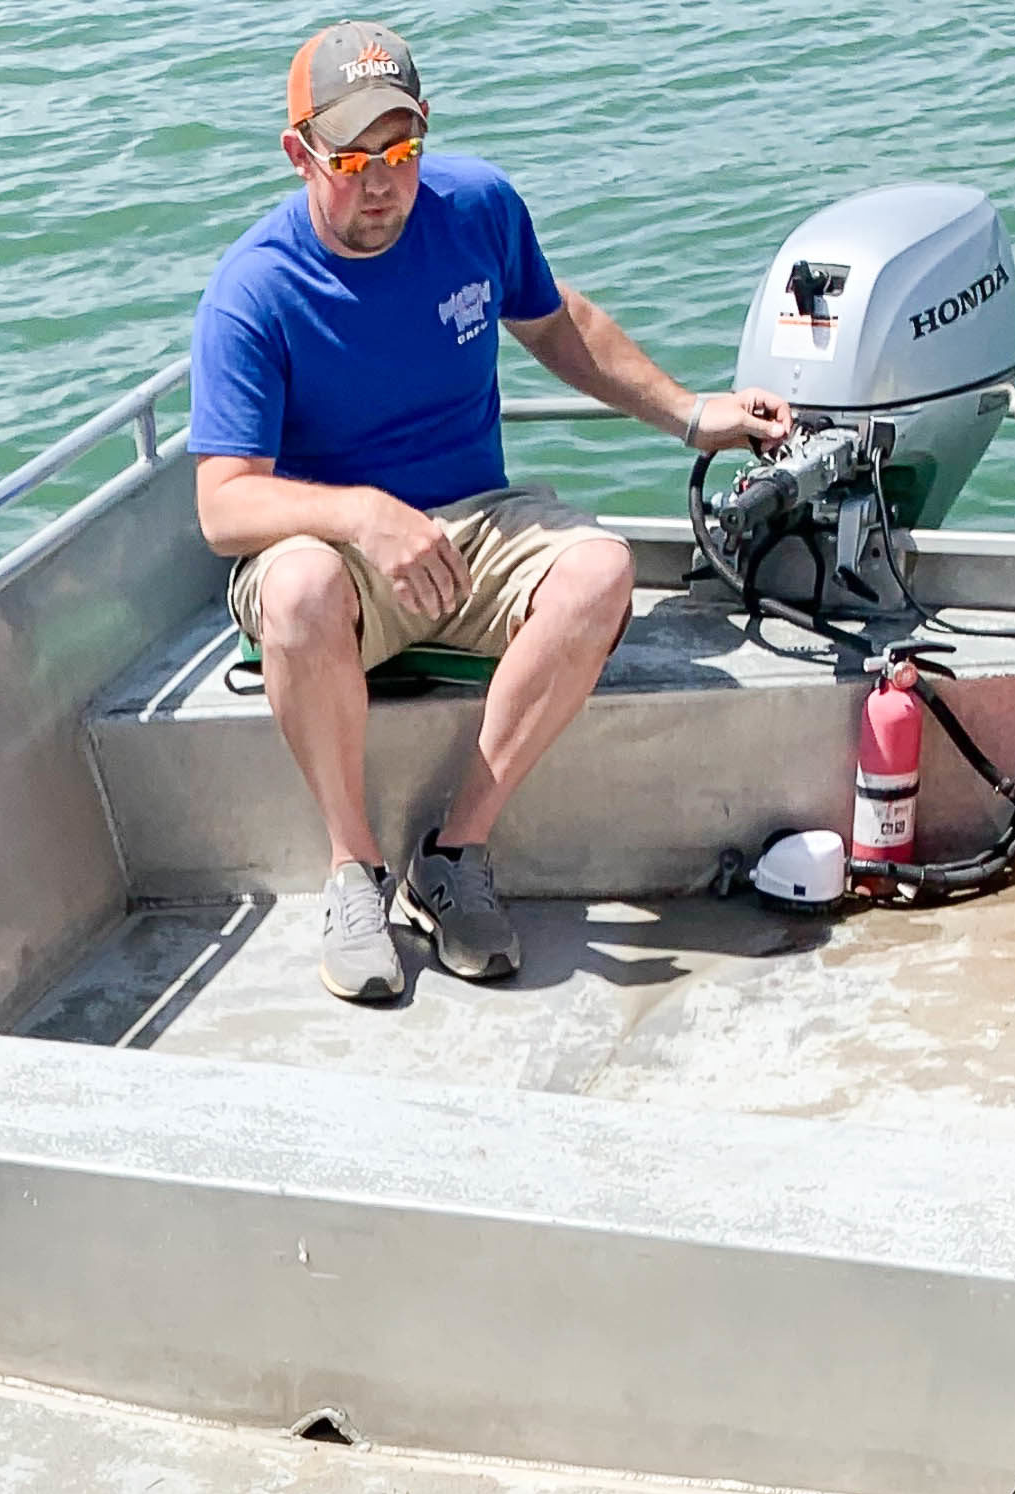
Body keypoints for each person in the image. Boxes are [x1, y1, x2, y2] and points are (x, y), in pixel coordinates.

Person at [189, 23, 793, 1000]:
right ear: (298, 152)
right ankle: (353, 874)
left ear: (425, 133)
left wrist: (692, 415)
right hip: (330, 551)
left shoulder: (477, 206)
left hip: (476, 524)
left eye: (400, 152)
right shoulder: (252, 292)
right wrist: (364, 519)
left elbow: (558, 324)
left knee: (600, 569)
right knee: (296, 589)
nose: (380, 182)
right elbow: (224, 506)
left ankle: (454, 854)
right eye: (350, 159)